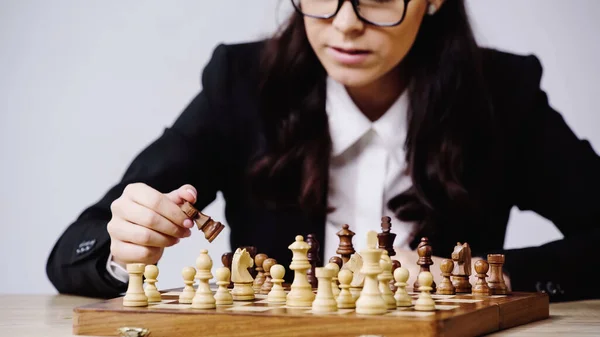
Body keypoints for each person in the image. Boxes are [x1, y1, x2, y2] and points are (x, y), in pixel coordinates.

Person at [46, 0, 600, 302]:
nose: (345, 23)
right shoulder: (240, 83)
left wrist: (487, 275)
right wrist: (125, 248)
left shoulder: (503, 94)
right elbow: (73, 248)